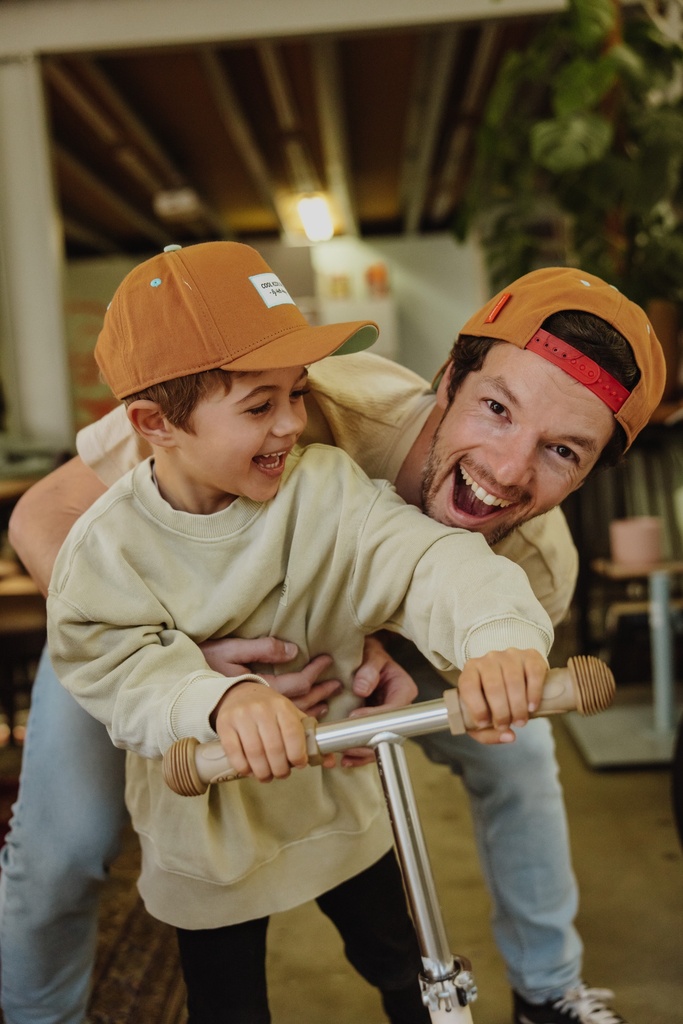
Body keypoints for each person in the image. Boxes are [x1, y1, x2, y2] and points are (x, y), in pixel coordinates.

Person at [1, 259, 665, 1024]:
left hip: (332, 649)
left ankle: (549, 990)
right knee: (67, 846)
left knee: (516, 756)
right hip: (148, 634)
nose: (506, 467)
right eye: (495, 408)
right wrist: (186, 658)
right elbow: (41, 519)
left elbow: (427, 568)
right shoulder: (286, 391)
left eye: (562, 452)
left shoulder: (531, 564)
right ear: (447, 378)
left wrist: (491, 644)